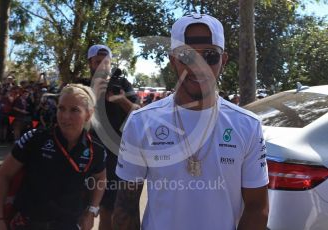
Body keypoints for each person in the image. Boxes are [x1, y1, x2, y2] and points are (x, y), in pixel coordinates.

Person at [113, 13, 269, 230]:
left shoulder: (248, 126)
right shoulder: (141, 123)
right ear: (172, 61)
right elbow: (125, 207)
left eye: (210, 56)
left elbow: (257, 207)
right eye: (187, 56)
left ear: (223, 60)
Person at [0, 84, 106, 230]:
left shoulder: (96, 149)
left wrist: (92, 211)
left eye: (74, 110)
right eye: (61, 108)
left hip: (69, 225)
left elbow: (101, 178)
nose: (65, 116)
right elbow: (3, 176)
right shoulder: (35, 139)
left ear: (88, 114)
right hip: (27, 224)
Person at [86, 44, 140, 230]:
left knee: (109, 210)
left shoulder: (122, 84)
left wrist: (121, 100)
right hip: (84, 152)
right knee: (78, 209)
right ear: (90, 64)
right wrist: (93, 95)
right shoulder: (82, 85)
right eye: (97, 62)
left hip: (114, 154)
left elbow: (139, 114)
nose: (102, 66)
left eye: (106, 62)